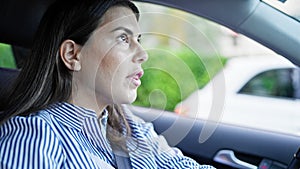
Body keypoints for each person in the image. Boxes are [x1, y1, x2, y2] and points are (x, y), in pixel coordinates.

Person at [0, 0, 215, 168]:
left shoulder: (130, 125)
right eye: (123, 38)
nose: (142, 54)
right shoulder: (32, 137)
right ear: (72, 54)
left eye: (138, 40)